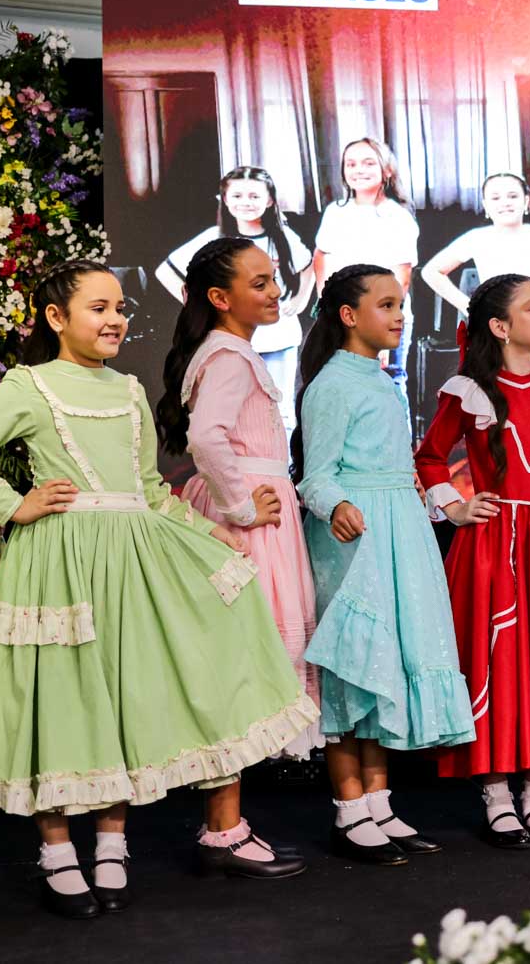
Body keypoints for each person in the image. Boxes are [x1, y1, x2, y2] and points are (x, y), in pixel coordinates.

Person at [0, 260, 315, 919]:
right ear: (57, 318)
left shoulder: (128, 389)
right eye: (98, 308)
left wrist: (208, 532)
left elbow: (149, 489)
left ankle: (113, 845)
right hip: (60, 559)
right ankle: (58, 852)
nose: (114, 320)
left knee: (119, 694)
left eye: (119, 308)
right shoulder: (29, 385)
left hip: (130, 558)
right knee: (63, 695)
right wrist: (14, 505)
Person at [293, 263, 477, 865]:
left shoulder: (380, 379)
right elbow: (316, 475)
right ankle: (349, 810)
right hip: (358, 536)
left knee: (386, 665)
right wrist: (337, 505)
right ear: (349, 316)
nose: (401, 315)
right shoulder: (331, 384)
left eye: (401, 304)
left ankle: (379, 803)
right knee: (356, 665)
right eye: (387, 304)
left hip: (400, 529)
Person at [414, 274, 530, 850]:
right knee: (495, 659)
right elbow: (429, 457)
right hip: (494, 543)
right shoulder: (467, 392)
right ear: (499, 327)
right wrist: (455, 506)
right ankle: (496, 797)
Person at [157, 236, 324, 758]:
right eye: (260, 283)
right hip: (251, 509)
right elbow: (208, 437)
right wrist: (242, 506)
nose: (275, 291)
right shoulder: (229, 355)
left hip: (254, 497)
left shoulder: (231, 350)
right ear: (220, 298)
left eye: (274, 279)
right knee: (253, 630)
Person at [154, 166, 316, 428]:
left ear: (270, 200)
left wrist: (300, 299)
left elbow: (309, 267)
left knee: (279, 409)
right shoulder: (215, 239)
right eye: (237, 196)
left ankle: (280, 455)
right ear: (225, 200)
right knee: (233, 410)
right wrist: (201, 307)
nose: (246, 203)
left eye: (254, 196)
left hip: (279, 337)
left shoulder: (283, 237)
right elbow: (165, 271)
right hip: (231, 341)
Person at [313, 137, 420, 401]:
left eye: (368, 163)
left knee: (387, 387)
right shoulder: (335, 212)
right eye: (351, 164)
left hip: (383, 320)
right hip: (341, 317)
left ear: (387, 170)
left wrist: (379, 332)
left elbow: (401, 279)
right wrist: (326, 306)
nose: (359, 170)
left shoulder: (397, 217)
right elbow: (320, 257)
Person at [422, 173, 530, 315]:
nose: (505, 203)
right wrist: (468, 307)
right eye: (495, 198)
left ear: (526, 201)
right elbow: (431, 271)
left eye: (513, 196)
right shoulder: (476, 238)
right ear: (485, 205)